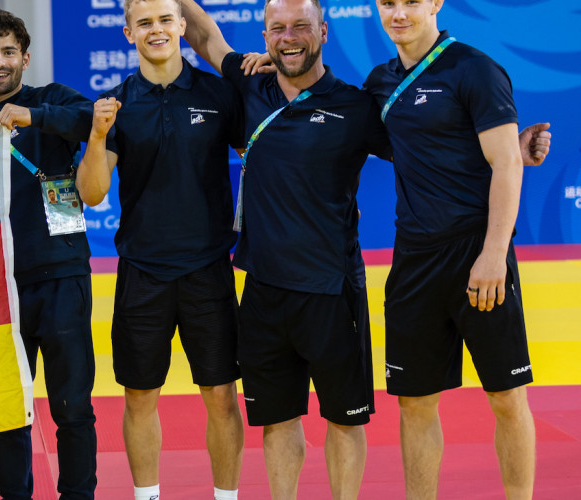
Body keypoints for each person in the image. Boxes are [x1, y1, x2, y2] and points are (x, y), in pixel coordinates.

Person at [177, 0, 392, 497]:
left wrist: (512, 145)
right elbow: (208, 39)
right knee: (277, 422)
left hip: (332, 291)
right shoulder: (251, 86)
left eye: (300, 26)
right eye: (278, 28)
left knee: (344, 421)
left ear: (323, 30)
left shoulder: (356, 107)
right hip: (264, 290)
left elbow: (428, 145)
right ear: (265, 34)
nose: (289, 37)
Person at [364, 1, 549, 498]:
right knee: (415, 403)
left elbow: (507, 165)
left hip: (476, 253)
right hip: (414, 263)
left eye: (410, 2)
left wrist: (493, 255)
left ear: (435, 4)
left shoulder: (474, 69)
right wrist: (278, 63)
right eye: (388, 3)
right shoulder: (379, 84)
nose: (399, 13)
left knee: (507, 397)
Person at [74, 0, 247, 498]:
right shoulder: (116, 102)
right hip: (142, 271)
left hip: (208, 268)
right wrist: (97, 134)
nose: (156, 30)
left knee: (220, 396)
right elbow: (91, 193)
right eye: (144, 22)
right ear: (128, 32)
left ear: (181, 26)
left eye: (164, 20)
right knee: (139, 395)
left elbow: (262, 151)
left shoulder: (218, 94)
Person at [0, 10, 96, 500]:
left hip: (62, 278)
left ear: (24, 58)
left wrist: (31, 116)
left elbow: (93, 120)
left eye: (8, 52)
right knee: (9, 412)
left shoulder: (52, 100)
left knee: (73, 407)